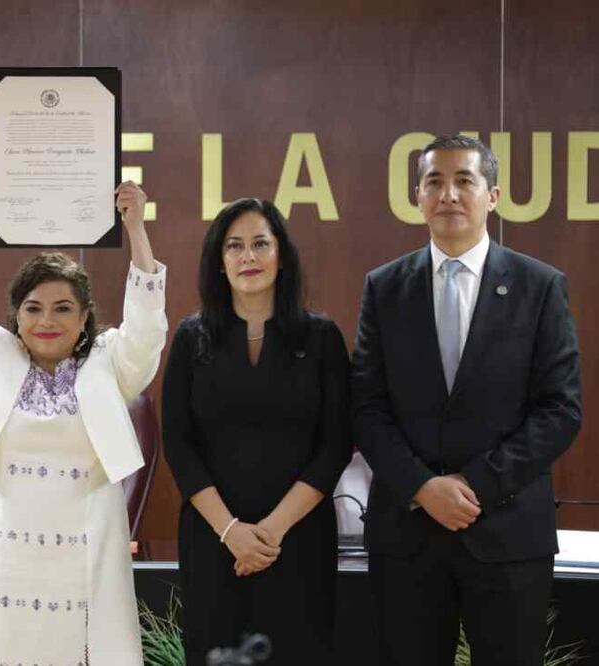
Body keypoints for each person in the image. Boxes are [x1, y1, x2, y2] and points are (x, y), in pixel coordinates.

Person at [0, 137, 166, 664]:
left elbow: (149, 332)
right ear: (15, 315)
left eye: (63, 308)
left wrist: (136, 229)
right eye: (34, 308)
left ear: (85, 318)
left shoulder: (109, 363)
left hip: (88, 553)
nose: (47, 321)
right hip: (4, 554)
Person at [351, 134, 582, 665]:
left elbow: (560, 409)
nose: (448, 194)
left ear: (493, 194)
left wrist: (473, 485)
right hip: (408, 537)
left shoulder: (539, 286)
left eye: (464, 181)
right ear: (418, 196)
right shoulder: (384, 288)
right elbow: (366, 406)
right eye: (434, 182)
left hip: (507, 535)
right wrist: (422, 487)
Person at [162, 198, 351, 665]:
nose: (248, 256)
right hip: (214, 541)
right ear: (219, 262)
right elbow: (179, 446)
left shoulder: (320, 338)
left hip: (298, 540)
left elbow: (336, 445)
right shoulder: (192, 339)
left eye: (260, 244)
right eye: (235, 246)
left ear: (281, 256)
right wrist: (232, 532)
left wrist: (269, 532)